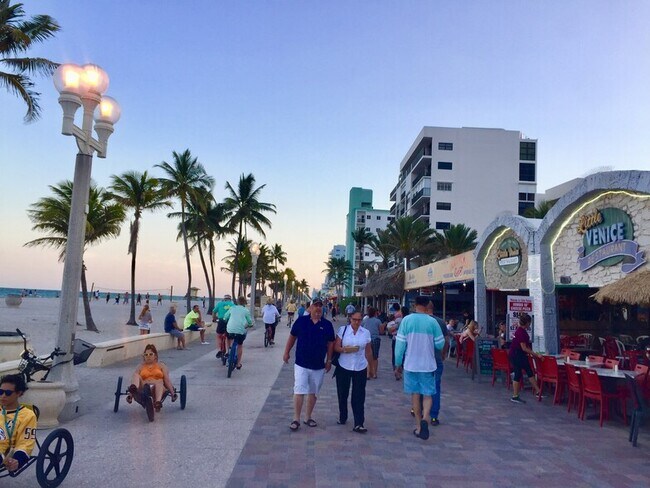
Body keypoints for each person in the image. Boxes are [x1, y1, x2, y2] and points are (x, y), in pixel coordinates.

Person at [394, 296, 445, 440]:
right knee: (428, 394)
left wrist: (398, 364)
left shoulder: (407, 321)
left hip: (411, 364)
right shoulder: (432, 322)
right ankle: (426, 417)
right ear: (427, 305)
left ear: (414, 305)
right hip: (428, 365)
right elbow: (440, 344)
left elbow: (400, 346)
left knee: (415, 395)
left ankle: (418, 426)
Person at [283, 298, 335, 431]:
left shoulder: (327, 325)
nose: (318, 308)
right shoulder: (301, 321)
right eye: (315, 306)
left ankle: (308, 417)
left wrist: (329, 360)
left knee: (313, 392)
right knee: (299, 390)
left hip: (318, 365)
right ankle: (296, 419)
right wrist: (286, 352)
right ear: (310, 308)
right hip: (301, 363)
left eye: (320, 306)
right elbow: (292, 337)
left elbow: (330, 344)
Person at [334, 311, 372, 433]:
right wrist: (345, 350)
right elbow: (336, 347)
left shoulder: (365, 333)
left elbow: (368, 351)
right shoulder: (343, 330)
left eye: (359, 320)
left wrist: (370, 368)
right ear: (350, 319)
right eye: (354, 319)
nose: (356, 322)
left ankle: (359, 422)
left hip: (360, 366)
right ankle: (343, 416)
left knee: (359, 396)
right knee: (342, 393)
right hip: (344, 365)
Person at [0, 374, 36, 472]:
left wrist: (17, 460)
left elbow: (25, 443)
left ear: (19, 393)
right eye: (1, 392)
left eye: (8, 393)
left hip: (3, 450)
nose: (3, 396)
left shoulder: (27, 416)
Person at [126, 344, 176, 412]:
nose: (148, 356)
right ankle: (133, 391)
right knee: (135, 375)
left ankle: (157, 403)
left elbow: (167, 380)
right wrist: (130, 396)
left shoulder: (161, 365)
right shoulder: (140, 366)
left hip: (157, 387)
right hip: (144, 387)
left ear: (155, 356)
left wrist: (173, 394)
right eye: (146, 355)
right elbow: (135, 379)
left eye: (150, 354)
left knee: (159, 381)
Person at [508, 313, 543, 404]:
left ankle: (538, 391)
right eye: (529, 323)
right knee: (518, 373)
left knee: (529, 371)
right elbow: (524, 347)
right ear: (527, 323)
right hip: (517, 354)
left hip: (519, 354)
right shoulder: (521, 332)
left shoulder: (520, 330)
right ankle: (515, 396)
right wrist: (535, 354)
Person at [427, 301, 449, 426]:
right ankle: (434, 415)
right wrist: (443, 353)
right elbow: (446, 340)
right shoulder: (440, 322)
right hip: (436, 358)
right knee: (436, 386)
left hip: (423, 359)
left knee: (421, 385)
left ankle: (418, 409)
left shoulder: (419, 321)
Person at [223, 296, 253, 369]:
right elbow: (249, 322)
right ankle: (238, 364)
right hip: (241, 331)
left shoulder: (232, 308)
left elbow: (225, 317)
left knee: (228, 337)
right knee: (240, 345)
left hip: (230, 330)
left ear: (237, 302)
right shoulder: (246, 310)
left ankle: (227, 351)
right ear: (244, 302)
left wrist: (226, 320)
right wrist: (250, 325)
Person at [361, 307, 385, 379]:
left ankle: (368, 373)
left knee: (367, 356)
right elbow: (381, 332)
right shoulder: (378, 321)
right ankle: (374, 373)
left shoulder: (365, 321)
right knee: (375, 357)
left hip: (366, 340)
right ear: (375, 313)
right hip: (375, 339)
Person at [213, 294, 235, 358]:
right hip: (229, 321)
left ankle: (219, 350)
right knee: (229, 337)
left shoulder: (220, 304)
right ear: (230, 299)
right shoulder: (233, 305)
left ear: (224, 299)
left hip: (221, 321)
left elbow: (214, 312)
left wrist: (214, 318)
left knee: (219, 335)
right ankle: (227, 352)